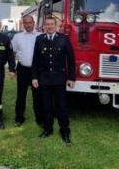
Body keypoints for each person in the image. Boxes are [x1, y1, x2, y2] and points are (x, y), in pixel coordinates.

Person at [32, 15, 76, 144]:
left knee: (62, 107)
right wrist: (34, 77)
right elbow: (35, 60)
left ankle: (65, 132)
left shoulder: (64, 39)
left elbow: (71, 60)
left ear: (56, 25)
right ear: (44, 26)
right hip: (44, 79)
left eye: (52, 24)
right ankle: (48, 129)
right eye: (47, 24)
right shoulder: (39, 39)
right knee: (46, 106)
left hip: (59, 79)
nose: (50, 26)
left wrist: (72, 77)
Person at [11, 14, 43, 127]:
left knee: (37, 96)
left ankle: (40, 119)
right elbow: (13, 53)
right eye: (26, 23)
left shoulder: (40, 36)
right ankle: (19, 118)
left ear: (34, 23)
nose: (28, 25)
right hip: (22, 69)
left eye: (30, 22)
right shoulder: (17, 37)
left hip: (36, 71)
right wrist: (12, 69)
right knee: (21, 95)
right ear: (23, 23)